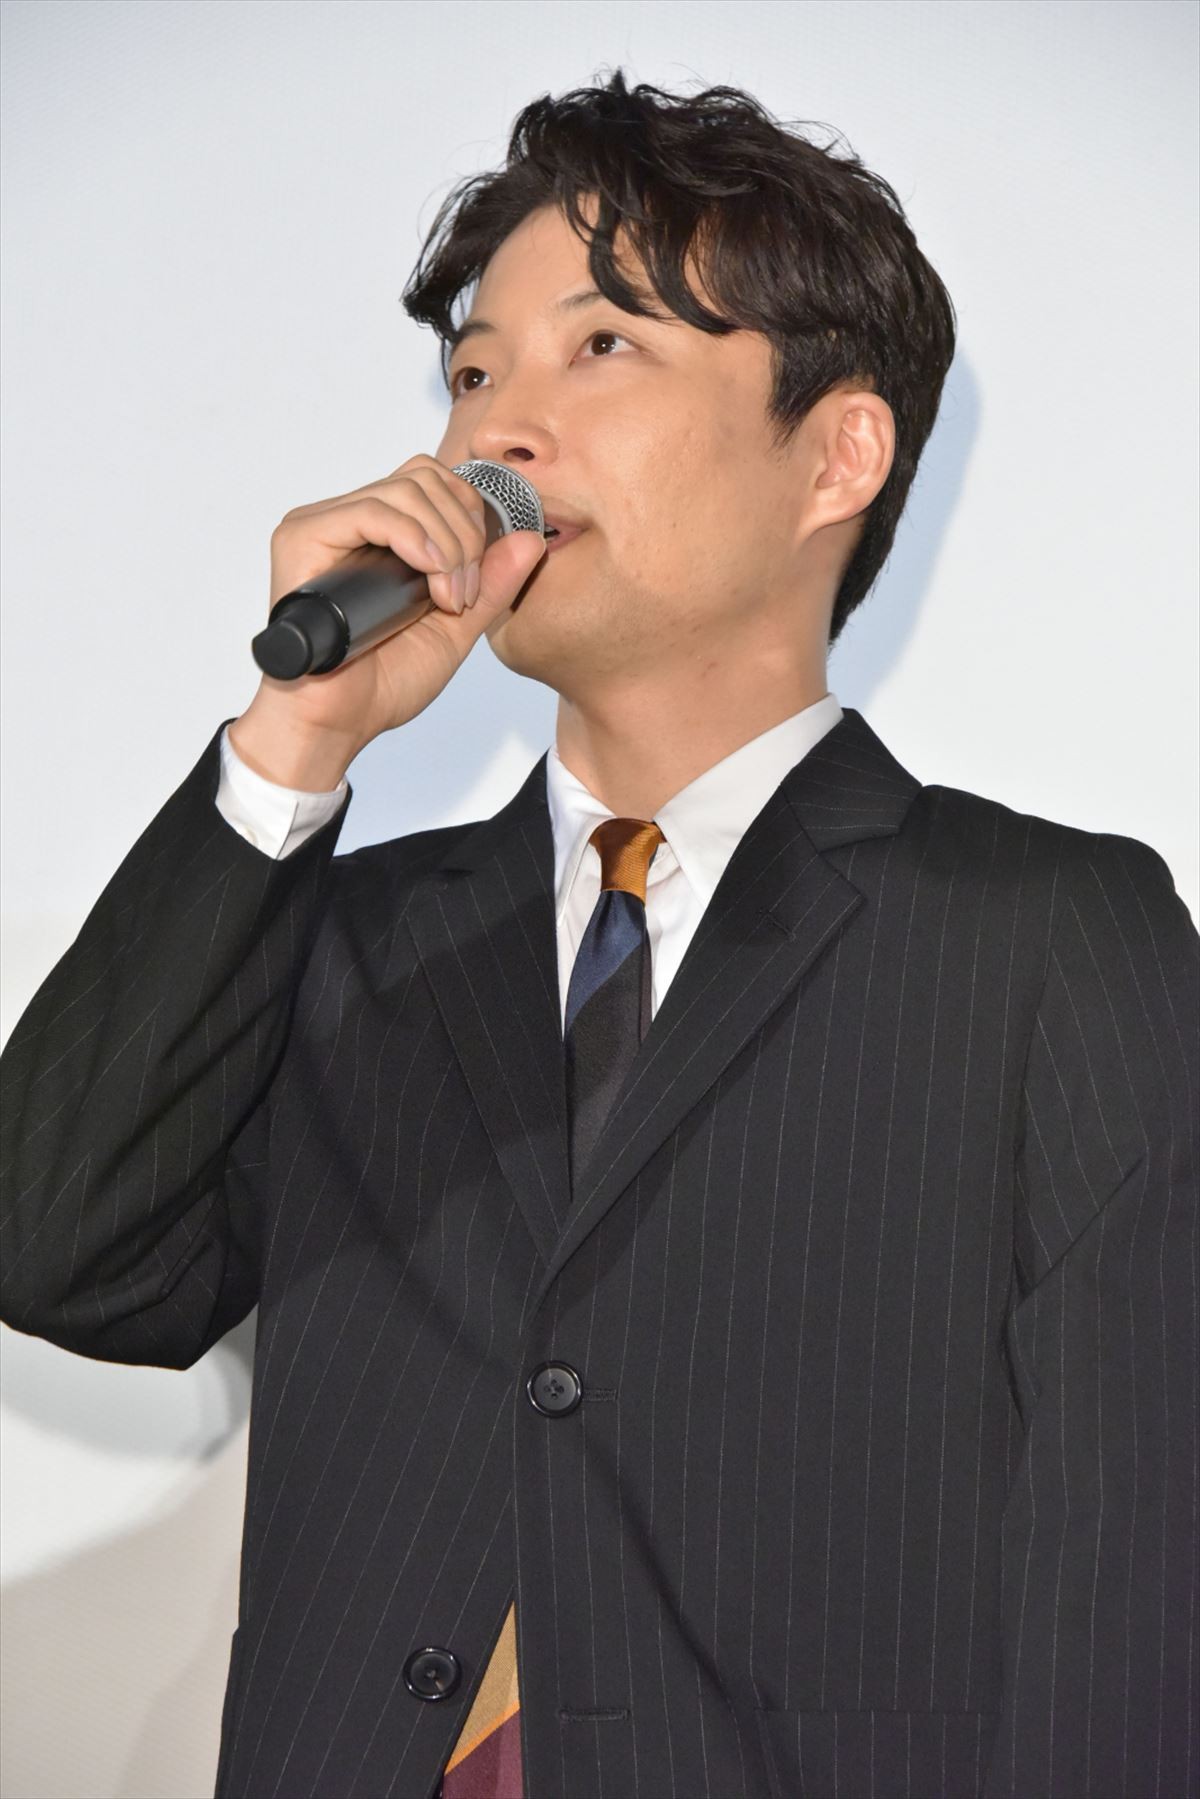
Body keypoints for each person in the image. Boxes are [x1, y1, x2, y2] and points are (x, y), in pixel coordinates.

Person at [1, 68, 1196, 1799]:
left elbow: (1131, 1591)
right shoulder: (349, 941)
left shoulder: (1047, 937)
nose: (499, 429)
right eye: (474, 374)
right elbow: (58, 1252)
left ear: (839, 455)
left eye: (602, 347)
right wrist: (295, 745)